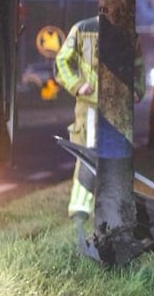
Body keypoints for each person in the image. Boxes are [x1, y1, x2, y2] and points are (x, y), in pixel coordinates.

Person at [54, 15, 143, 240]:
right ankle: (80, 213)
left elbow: (138, 65)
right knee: (89, 158)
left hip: (118, 108)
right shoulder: (83, 28)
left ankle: (114, 214)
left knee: (115, 161)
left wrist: (137, 89)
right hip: (91, 107)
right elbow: (62, 61)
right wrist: (76, 85)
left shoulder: (128, 32)